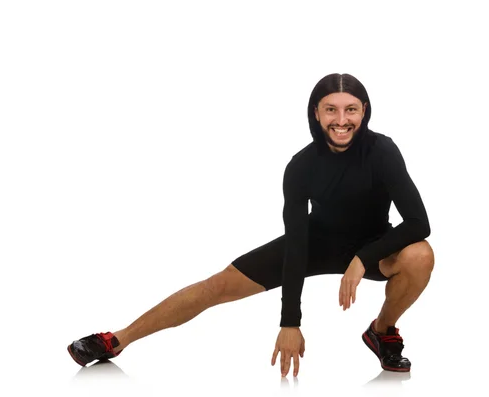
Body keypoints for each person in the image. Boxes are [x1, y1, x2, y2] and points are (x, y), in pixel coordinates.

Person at [67, 73, 435, 378]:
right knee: (216, 286)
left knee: (420, 255)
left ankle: (381, 332)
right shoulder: (301, 166)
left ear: (364, 111)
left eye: (351, 109)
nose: (342, 120)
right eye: (331, 110)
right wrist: (290, 321)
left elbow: (419, 222)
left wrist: (362, 258)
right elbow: (296, 244)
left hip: (375, 244)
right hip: (313, 241)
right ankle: (117, 338)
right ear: (316, 113)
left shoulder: (382, 151)